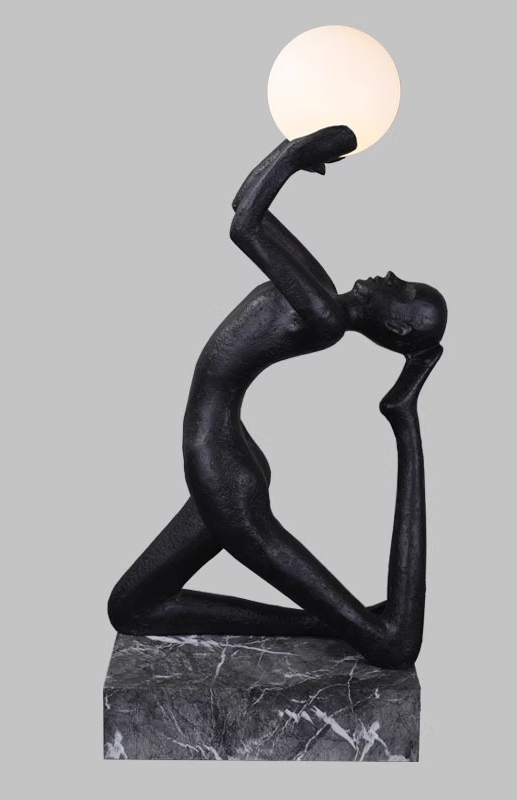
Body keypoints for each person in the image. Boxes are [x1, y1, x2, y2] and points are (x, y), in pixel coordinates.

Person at [108, 126, 447, 668]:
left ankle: (402, 417)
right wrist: (290, 153)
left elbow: (242, 229)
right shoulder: (322, 291)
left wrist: (292, 157)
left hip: (224, 474)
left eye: (404, 292)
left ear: (398, 329)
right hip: (228, 453)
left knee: (394, 645)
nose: (392, 276)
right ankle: (328, 623)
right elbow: (247, 207)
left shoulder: (324, 315)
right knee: (132, 608)